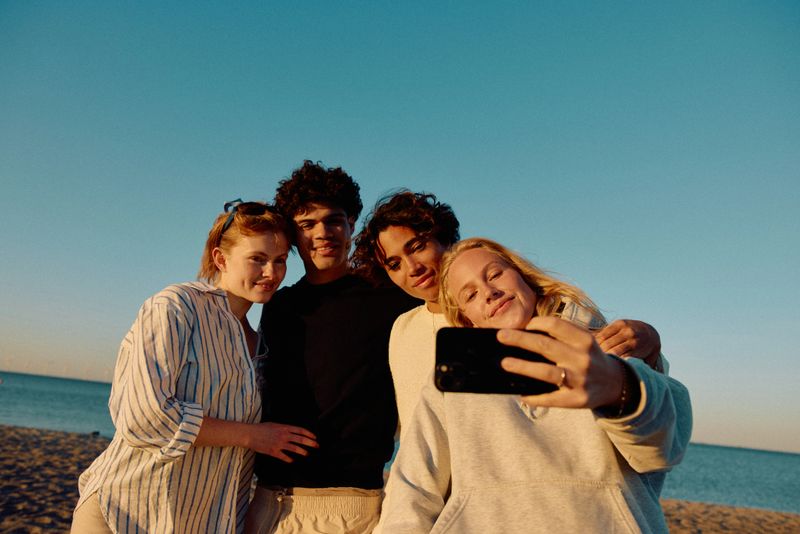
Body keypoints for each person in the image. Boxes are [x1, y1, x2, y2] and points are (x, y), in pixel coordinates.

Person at [378, 237, 692, 533]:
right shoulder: (452, 384)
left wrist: (618, 387)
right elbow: (413, 488)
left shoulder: (595, 352)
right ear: (468, 318)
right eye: (470, 294)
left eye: (495, 274)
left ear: (524, 278)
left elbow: (663, 449)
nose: (488, 292)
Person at [71, 201, 318, 534]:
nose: (271, 273)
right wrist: (253, 436)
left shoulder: (262, 344)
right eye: (257, 259)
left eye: (279, 261)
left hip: (201, 522)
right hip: (125, 512)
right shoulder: (175, 307)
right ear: (220, 258)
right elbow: (144, 418)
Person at [351, 191, 666, 437]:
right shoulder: (402, 330)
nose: (412, 268)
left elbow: (624, 379)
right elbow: (409, 426)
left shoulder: (514, 309)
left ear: (444, 237)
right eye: (393, 264)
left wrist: (651, 344)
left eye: (417, 246)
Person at [244, 163, 418, 534]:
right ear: (292, 234)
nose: (323, 233)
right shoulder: (278, 306)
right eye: (307, 224)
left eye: (333, 220)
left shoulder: (391, 297)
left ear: (351, 223)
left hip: (347, 506)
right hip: (267, 501)